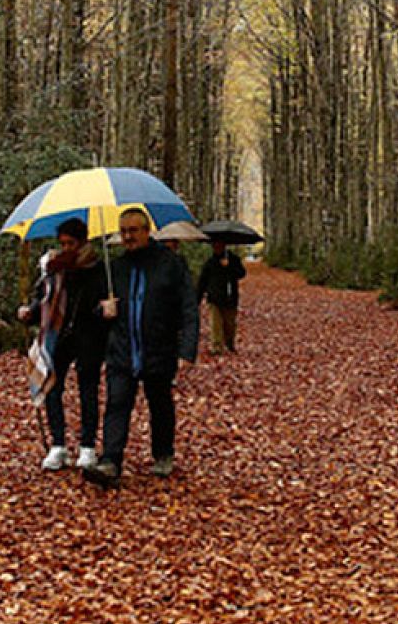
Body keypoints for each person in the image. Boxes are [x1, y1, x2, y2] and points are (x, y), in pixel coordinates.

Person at [83, 208, 199, 487]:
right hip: (122, 351)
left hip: (159, 349)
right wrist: (102, 310)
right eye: (123, 232)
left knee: (160, 404)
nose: (128, 237)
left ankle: (163, 454)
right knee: (117, 404)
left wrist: (187, 349)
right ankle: (111, 461)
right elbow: (90, 310)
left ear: (147, 231)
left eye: (133, 231)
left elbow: (188, 309)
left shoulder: (171, 264)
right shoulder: (115, 269)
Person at [18, 217, 109, 471]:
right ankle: (58, 445)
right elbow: (45, 299)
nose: (66, 248)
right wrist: (30, 312)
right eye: (63, 243)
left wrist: (105, 310)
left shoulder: (97, 269)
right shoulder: (55, 268)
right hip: (59, 336)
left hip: (89, 335)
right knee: (51, 387)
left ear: (82, 242)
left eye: (71, 243)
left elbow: (102, 301)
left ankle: (87, 447)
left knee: (87, 390)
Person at [196, 240, 247, 354]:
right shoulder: (209, 262)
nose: (217, 248)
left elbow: (242, 273)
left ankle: (229, 344)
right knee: (215, 323)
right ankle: (216, 347)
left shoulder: (233, 259)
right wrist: (197, 299)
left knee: (230, 324)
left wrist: (229, 267)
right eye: (215, 246)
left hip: (230, 297)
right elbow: (202, 282)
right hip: (214, 298)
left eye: (219, 245)